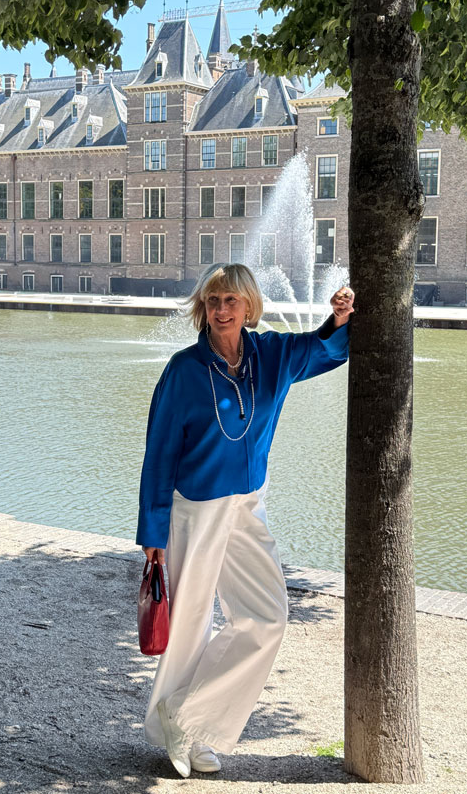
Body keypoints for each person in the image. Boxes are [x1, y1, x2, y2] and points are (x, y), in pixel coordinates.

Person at [136, 263, 354, 778]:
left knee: (267, 616)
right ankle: (184, 734)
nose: (221, 310)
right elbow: (158, 452)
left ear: (249, 306)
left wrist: (339, 318)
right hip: (195, 508)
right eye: (213, 300)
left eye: (231, 300)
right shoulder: (183, 370)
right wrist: (153, 530)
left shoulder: (271, 356)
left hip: (247, 506)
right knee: (189, 624)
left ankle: (188, 718)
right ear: (203, 308)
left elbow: (322, 349)